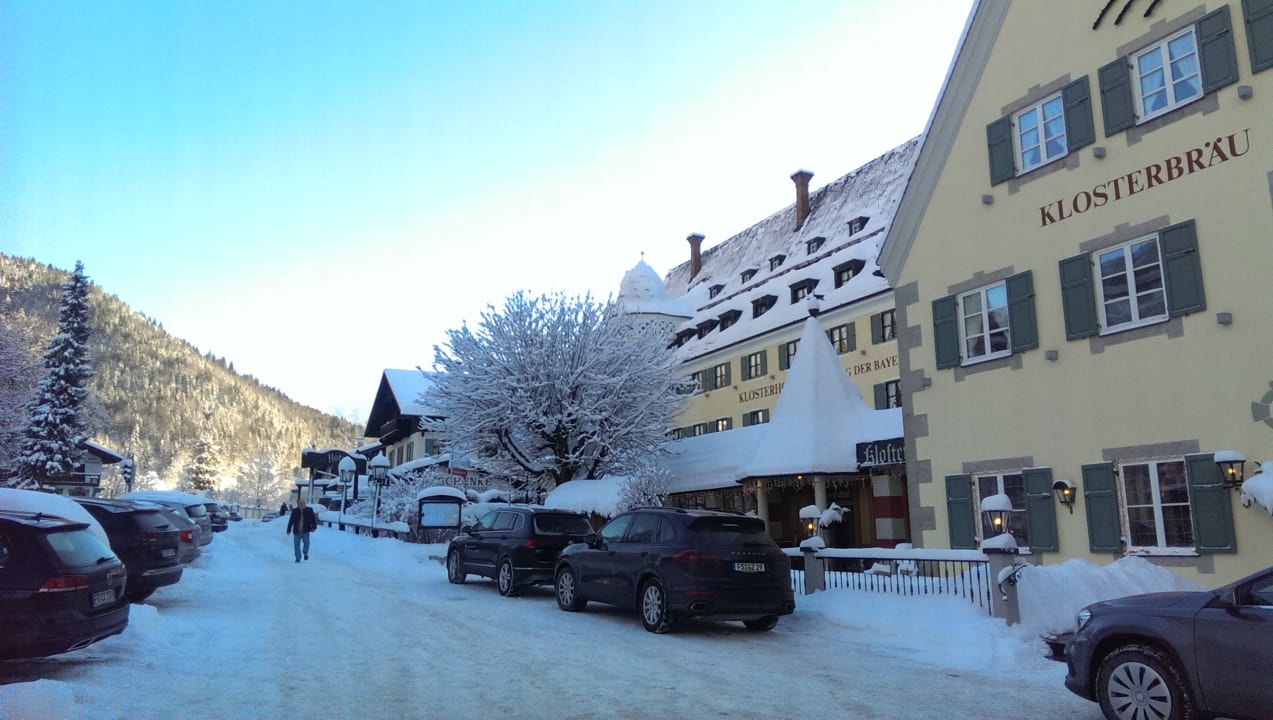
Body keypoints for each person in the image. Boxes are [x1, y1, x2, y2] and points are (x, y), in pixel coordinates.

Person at [285, 498, 318, 562]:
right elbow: (291, 521)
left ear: (305, 504)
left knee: (307, 543)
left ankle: (305, 553)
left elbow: (313, 520)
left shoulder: (309, 510)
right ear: (298, 504)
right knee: (296, 545)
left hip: (306, 530)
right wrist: (288, 530)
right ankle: (298, 557)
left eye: (303, 504)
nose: (301, 505)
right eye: (300, 504)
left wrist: (314, 527)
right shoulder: (295, 511)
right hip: (296, 531)